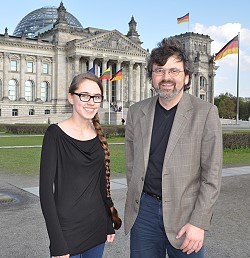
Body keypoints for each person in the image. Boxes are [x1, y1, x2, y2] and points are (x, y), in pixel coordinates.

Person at [124, 38, 222, 258]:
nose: (166, 77)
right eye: (159, 71)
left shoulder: (205, 113)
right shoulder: (136, 112)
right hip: (144, 213)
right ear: (152, 77)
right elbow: (132, 163)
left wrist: (199, 222)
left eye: (174, 71)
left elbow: (211, 176)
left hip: (186, 213)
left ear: (186, 77)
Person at [39, 72, 121, 258]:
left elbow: (101, 186)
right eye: (84, 95)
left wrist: (109, 222)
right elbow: (45, 193)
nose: (91, 102)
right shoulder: (55, 134)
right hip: (68, 232)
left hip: (97, 227)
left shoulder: (98, 134)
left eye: (96, 97)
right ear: (71, 97)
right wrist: (57, 242)